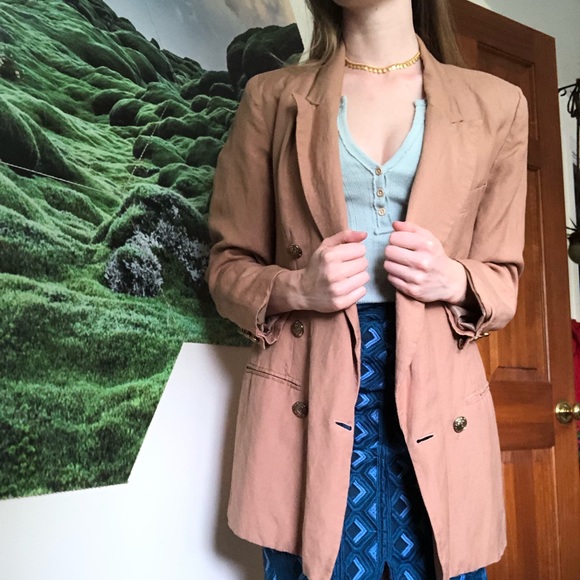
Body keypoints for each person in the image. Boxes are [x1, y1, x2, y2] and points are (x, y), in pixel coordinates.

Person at [205, 0, 528, 578]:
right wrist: (298, 287)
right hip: (310, 388)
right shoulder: (271, 97)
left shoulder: (498, 105)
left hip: (435, 395)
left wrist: (453, 277)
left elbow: (503, 280)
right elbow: (228, 268)